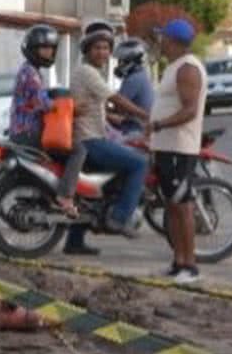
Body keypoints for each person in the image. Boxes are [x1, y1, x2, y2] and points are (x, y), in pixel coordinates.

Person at [66, 21, 151, 240]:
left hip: (90, 137)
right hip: (90, 140)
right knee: (140, 163)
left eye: (106, 48)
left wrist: (113, 116)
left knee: (91, 191)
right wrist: (145, 115)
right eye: (97, 48)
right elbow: (116, 99)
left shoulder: (88, 72)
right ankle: (120, 218)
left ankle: (74, 241)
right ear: (87, 50)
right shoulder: (88, 72)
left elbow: (99, 105)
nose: (102, 52)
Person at [148, 18, 208, 284]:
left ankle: (190, 266)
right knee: (171, 205)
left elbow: (189, 110)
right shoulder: (173, 67)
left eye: (163, 38)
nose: (160, 42)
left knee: (183, 207)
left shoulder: (188, 69)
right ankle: (178, 261)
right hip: (165, 146)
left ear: (172, 41)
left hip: (179, 148)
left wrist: (159, 124)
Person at [109, 38, 155, 137]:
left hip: (135, 129)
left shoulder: (133, 79)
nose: (119, 65)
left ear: (132, 61)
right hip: (139, 126)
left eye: (122, 61)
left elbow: (119, 107)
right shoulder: (141, 75)